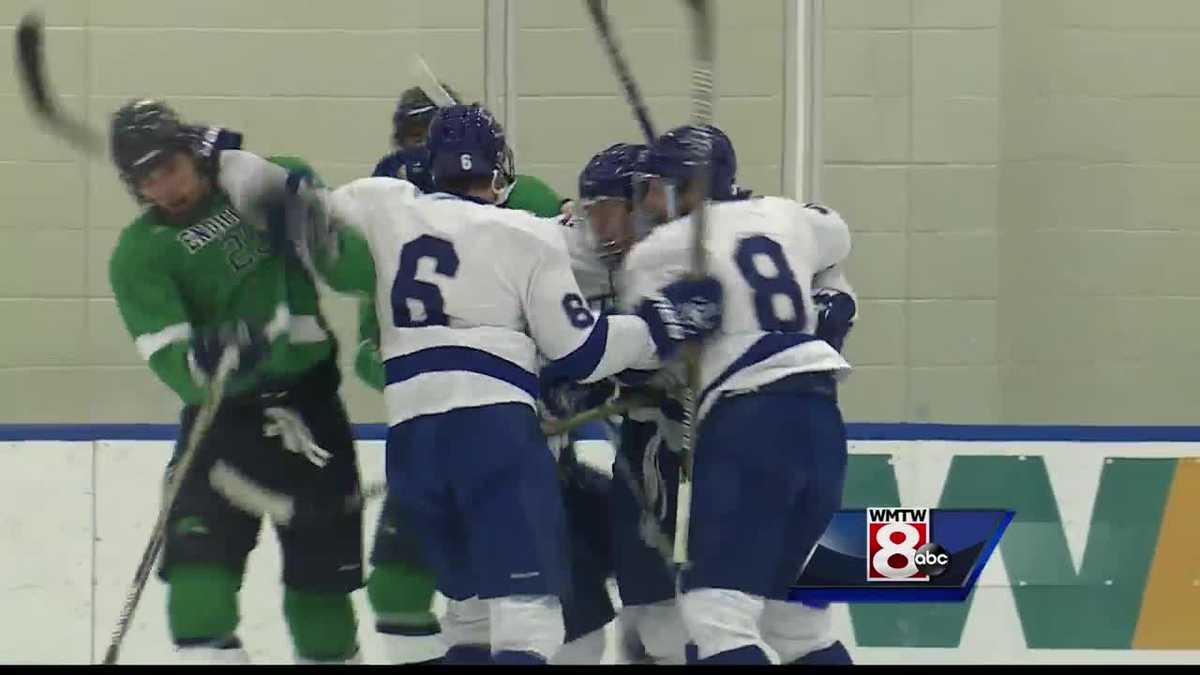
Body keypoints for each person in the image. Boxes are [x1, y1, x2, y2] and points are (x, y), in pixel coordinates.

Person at [273, 103, 725, 664]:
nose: (601, 223)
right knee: (536, 624)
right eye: (596, 211)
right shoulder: (530, 235)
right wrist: (662, 326)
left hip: (418, 439)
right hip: (500, 439)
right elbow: (583, 349)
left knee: (476, 616)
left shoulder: (385, 204)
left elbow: (296, 199)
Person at [106, 99, 371, 664]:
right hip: (223, 429)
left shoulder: (266, 186)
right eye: (144, 178)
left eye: (168, 166)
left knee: (320, 607)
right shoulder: (139, 254)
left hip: (312, 418)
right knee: (197, 601)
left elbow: (355, 276)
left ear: (191, 153)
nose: (162, 187)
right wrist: (214, 353)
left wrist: (309, 217)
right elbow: (179, 368)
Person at [618, 124, 858, 665]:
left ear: (688, 189)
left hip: (749, 422)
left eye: (657, 186)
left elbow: (647, 362)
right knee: (793, 620)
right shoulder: (786, 215)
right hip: (821, 420)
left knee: (715, 615)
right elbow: (837, 235)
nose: (648, 201)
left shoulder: (657, 252)